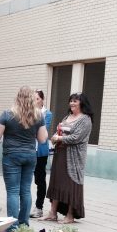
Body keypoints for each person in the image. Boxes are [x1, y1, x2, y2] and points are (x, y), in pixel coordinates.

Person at [0, 86, 47, 230]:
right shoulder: (38, 115)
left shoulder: (7, 114)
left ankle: (12, 227)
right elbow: (43, 139)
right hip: (30, 156)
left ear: (17, 97)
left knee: (13, 191)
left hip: (12, 156)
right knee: (26, 190)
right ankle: (24, 224)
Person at [44, 92, 93, 224]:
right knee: (56, 182)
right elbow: (59, 130)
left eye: (75, 101)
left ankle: (70, 215)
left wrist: (59, 138)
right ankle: (52, 213)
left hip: (74, 158)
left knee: (70, 184)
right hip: (60, 154)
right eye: (71, 101)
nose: (72, 103)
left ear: (81, 103)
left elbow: (77, 137)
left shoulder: (85, 119)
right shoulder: (67, 116)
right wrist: (55, 136)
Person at [31, 89, 53, 218]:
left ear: (42, 100)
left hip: (40, 151)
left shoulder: (47, 114)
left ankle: (39, 207)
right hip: (28, 149)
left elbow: (42, 131)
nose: (35, 102)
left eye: (37, 99)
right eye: (33, 99)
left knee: (40, 179)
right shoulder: (28, 112)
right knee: (30, 178)